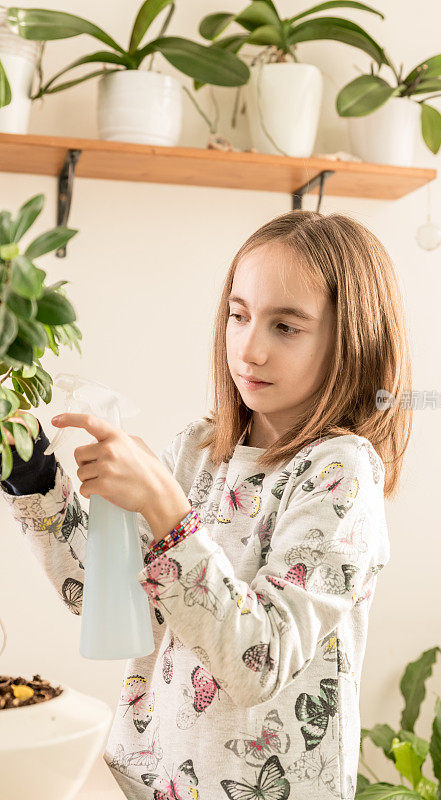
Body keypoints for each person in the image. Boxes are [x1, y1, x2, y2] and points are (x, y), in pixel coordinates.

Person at [0, 209, 412, 800]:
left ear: (352, 340)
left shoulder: (339, 473)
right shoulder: (199, 450)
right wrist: (35, 478)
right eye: (238, 316)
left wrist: (166, 507)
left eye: (286, 327)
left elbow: (257, 662)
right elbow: (107, 600)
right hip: (146, 782)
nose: (250, 349)